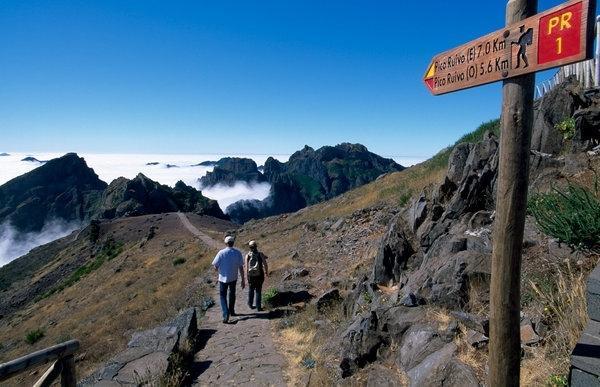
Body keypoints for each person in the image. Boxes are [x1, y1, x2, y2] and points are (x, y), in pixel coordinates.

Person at [212, 235, 245, 323]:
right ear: (233, 243)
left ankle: (226, 314)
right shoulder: (238, 253)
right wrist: (243, 279)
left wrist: (217, 271)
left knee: (222, 296)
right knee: (232, 294)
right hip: (233, 277)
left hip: (223, 278)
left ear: (225, 243)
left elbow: (215, 265)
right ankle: (232, 311)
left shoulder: (221, 253)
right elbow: (241, 267)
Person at [245, 240, 269, 311]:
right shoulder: (260, 254)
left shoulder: (247, 255)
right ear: (256, 246)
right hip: (259, 275)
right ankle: (258, 307)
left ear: (249, 247)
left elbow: (246, 267)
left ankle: (250, 304)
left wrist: (246, 277)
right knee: (258, 290)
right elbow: (265, 264)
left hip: (251, 276)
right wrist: (266, 272)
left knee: (251, 289)